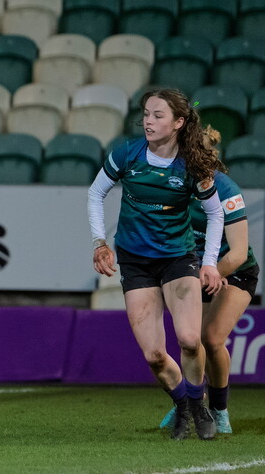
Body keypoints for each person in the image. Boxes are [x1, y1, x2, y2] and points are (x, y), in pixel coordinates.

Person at [87, 88, 224, 441]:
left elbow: (215, 213)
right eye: (146, 114)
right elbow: (95, 192)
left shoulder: (193, 164)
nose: (149, 121)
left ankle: (198, 406)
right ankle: (182, 405)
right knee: (153, 355)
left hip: (178, 258)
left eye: (158, 115)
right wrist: (100, 242)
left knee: (191, 340)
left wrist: (209, 263)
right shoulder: (128, 154)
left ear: (178, 122)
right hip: (136, 263)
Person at [159, 169, 259, 434]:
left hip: (233, 270)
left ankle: (219, 409)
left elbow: (238, 254)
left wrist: (213, 274)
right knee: (192, 339)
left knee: (212, 338)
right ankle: (193, 403)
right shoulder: (174, 184)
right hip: (197, 270)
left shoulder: (227, 189)